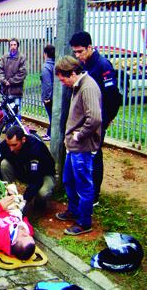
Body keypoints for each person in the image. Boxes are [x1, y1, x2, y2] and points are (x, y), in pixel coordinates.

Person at [69, 31, 121, 205]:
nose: (77, 55)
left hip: (97, 119)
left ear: (90, 47)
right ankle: (84, 190)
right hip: (85, 119)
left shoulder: (102, 65)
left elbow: (113, 95)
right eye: (75, 52)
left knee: (95, 155)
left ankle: (94, 196)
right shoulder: (84, 64)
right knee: (85, 155)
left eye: (80, 51)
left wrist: (106, 119)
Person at [54, 56, 102, 236]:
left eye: (63, 79)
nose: (63, 83)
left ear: (73, 73)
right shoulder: (78, 85)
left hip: (82, 147)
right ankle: (73, 211)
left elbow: (95, 118)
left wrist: (80, 136)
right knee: (69, 180)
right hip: (74, 147)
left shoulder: (88, 87)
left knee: (83, 186)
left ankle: (84, 222)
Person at [0, 125, 55, 211]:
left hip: (42, 174)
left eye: (14, 145)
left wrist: (24, 199)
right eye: (8, 144)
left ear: (23, 140)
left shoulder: (36, 149)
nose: (11, 149)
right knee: (4, 164)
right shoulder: (5, 145)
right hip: (23, 170)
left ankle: (38, 205)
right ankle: (9, 195)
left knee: (43, 192)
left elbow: (37, 180)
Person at [0, 38, 28, 119]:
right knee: (6, 111)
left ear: (17, 46)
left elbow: (23, 73)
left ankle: (16, 129)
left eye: (15, 45)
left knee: (16, 111)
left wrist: (10, 81)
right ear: (9, 46)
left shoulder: (22, 57)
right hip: (6, 90)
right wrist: (4, 80)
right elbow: (0, 70)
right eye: (11, 45)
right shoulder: (5, 57)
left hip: (16, 92)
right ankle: (8, 128)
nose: (13, 47)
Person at [40, 45, 55, 141]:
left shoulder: (46, 67)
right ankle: (49, 133)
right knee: (53, 116)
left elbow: (47, 84)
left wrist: (46, 97)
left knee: (51, 116)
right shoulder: (55, 64)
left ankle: (51, 134)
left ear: (45, 54)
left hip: (50, 97)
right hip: (56, 96)